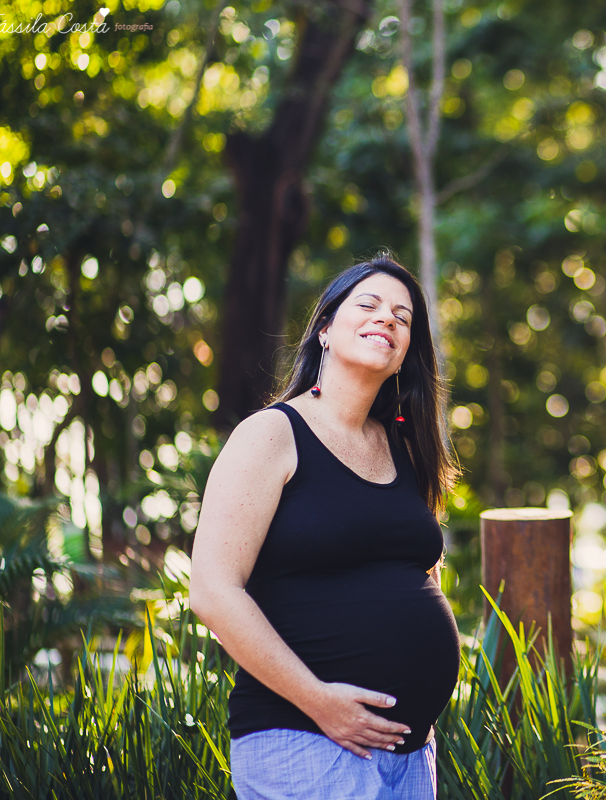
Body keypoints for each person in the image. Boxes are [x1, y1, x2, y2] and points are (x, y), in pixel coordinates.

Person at [190, 254, 461, 800]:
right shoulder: (271, 435)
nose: (386, 318)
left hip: (408, 754)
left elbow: (413, 573)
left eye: (402, 317)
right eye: (369, 305)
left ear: (405, 355)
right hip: (307, 739)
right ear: (325, 331)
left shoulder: (406, 449)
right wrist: (319, 702)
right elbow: (213, 591)